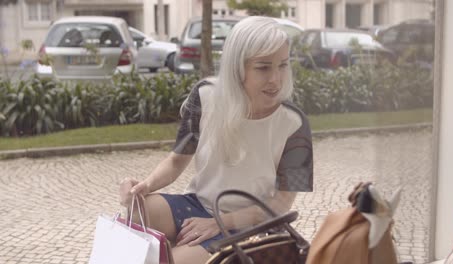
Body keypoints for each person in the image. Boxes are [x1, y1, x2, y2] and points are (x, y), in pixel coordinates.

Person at [119, 16, 313, 264]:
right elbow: (177, 160)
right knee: (137, 214)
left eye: (283, 65)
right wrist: (142, 188)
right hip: (197, 204)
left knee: (170, 262)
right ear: (237, 66)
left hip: (249, 226)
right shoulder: (205, 95)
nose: (276, 78)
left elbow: (281, 204)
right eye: (263, 67)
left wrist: (218, 224)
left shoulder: (296, 124)